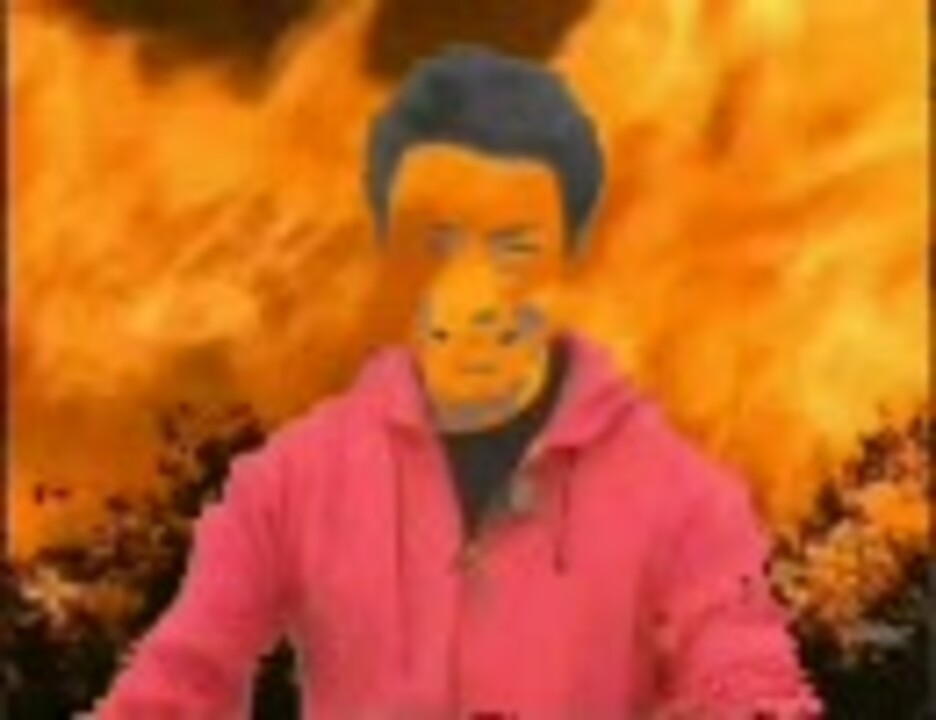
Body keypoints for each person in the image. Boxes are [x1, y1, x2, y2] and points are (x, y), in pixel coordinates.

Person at [95, 47, 822, 719]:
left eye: (514, 248)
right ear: (388, 249)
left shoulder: (683, 499)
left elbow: (748, 676)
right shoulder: (291, 486)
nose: (471, 288)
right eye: (434, 244)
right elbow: (183, 675)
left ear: (571, 258)